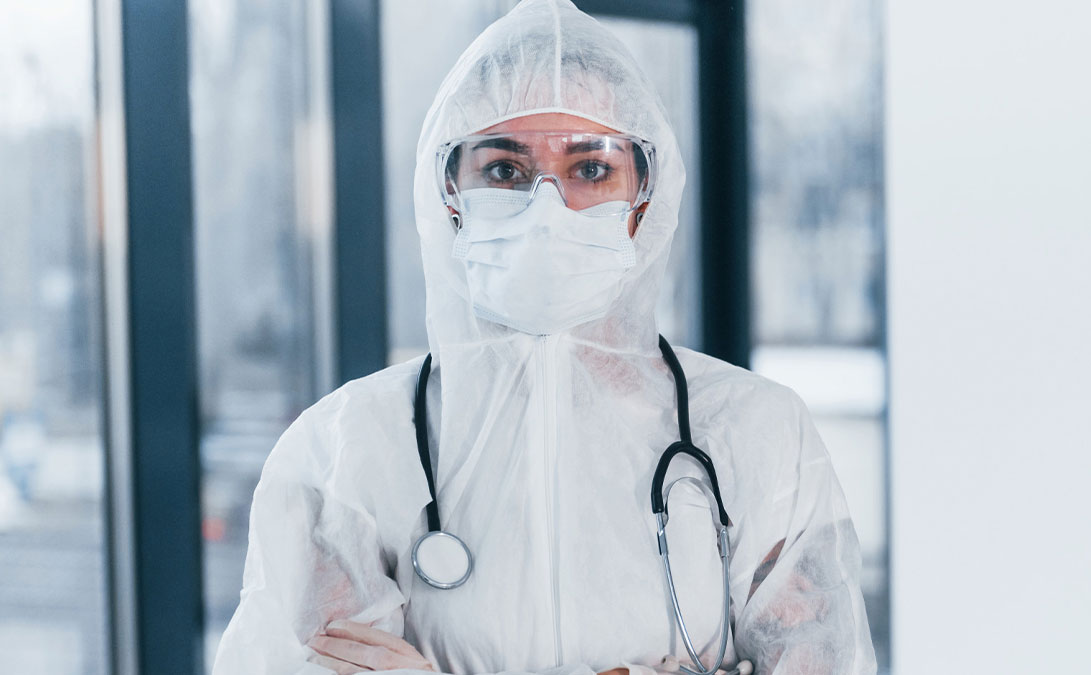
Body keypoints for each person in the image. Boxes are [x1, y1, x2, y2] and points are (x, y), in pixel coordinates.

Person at [212, 1, 877, 673]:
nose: (547, 211)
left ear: (642, 194)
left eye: (591, 169)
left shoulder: (760, 435)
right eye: (505, 170)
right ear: (450, 192)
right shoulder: (341, 453)